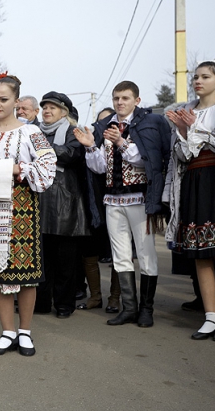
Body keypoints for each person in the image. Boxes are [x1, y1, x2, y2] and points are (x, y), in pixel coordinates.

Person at [0, 74, 56, 357]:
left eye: (3, 99)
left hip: (22, 204)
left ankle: (25, 332)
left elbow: (48, 164)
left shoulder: (30, 133)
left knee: (24, 271)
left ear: (16, 102)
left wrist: (20, 169)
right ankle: (7, 332)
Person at [74, 81, 171, 328]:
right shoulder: (106, 127)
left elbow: (146, 160)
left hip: (140, 199)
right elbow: (100, 168)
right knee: (120, 256)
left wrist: (120, 142)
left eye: (125, 98)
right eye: (117, 98)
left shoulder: (147, 124)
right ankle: (129, 308)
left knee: (147, 254)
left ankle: (146, 310)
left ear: (136, 101)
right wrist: (90, 147)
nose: (120, 102)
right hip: (113, 200)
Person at [165, 61, 215, 340]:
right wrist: (184, 132)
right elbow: (182, 156)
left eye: (205, 76)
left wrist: (196, 130)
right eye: (195, 77)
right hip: (193, 182)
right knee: (201, 253)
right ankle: (210, 316)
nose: (198, 81)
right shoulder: (187, 111)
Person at [35, 92, 89, 318]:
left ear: (64, 112)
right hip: (39, 200)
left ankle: (65, 304)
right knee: (41, 258)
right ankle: (41, 303)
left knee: (65, 261)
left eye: (52, 108)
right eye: (45, 107)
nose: (47, 111)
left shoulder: (73, 131)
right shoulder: (34, 131)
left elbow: (70, 154)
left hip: (66, 204)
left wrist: (39, 150)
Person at [78, 107, 121, 314]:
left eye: (109, 122)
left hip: (119, 199)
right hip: (93, 201)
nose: (105, 126)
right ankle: (95, 296)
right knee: (90, 250)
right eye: (101, 123)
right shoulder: (89, 143)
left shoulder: (124, 140)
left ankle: (115, 298)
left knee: (119, 253)